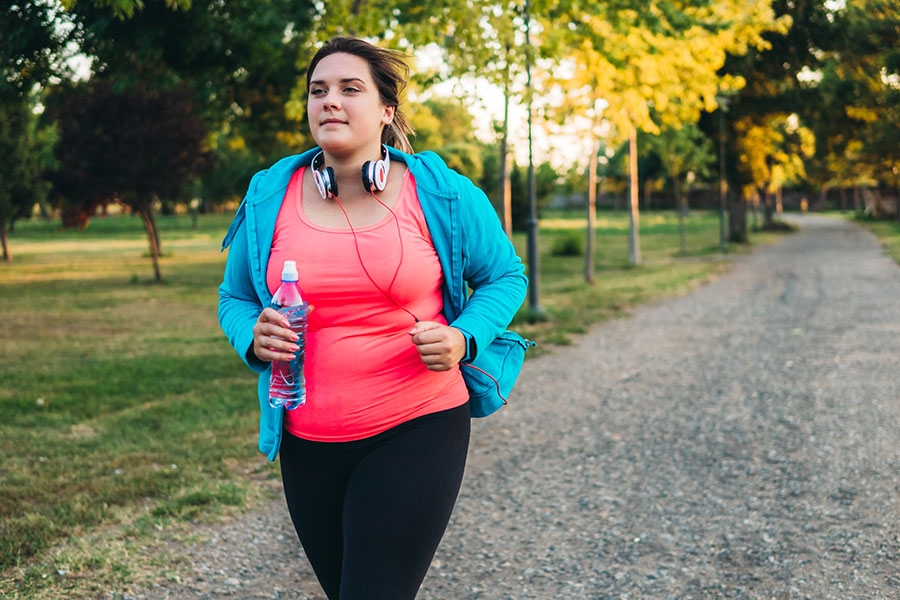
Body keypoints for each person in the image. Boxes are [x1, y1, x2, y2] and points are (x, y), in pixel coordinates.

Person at [217, 36, 528, 600]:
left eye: (349, 89)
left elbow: (506, 276)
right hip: (306, 439)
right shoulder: (268, 195)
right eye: (318, 90)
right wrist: (252, 335)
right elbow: (233, 297)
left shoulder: (442, 192)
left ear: (387, 111)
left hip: (417, 424)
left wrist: (464, 338)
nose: (329, 101)